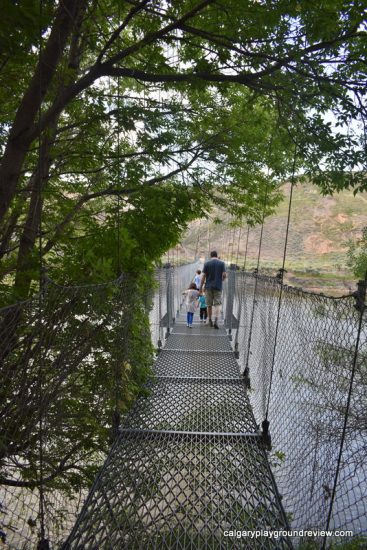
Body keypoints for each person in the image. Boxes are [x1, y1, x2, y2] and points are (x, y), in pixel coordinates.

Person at [200, 250, 226, 329]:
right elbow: (224, 275)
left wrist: (200, 287)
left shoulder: (207, 264)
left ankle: (210, 320)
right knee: (217, 304)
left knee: (209, 305)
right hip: (218, 287)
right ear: (217, 255)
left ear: (211, 256)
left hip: (208, 287)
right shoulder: (222, 263)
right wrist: (221, 280)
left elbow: (204, 276)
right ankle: (216, 321)